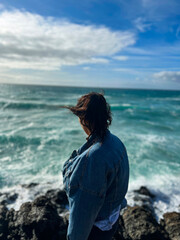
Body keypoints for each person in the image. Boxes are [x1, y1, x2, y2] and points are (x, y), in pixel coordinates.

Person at [61, 92, 129, 240]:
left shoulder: (91, 159)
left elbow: (83, 210)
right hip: (112, 220)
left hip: (96, 230)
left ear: (83, 119)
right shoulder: (116, 142)